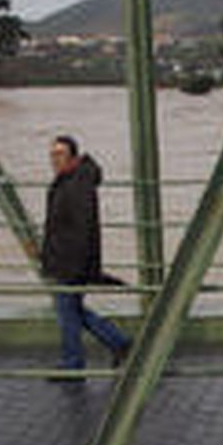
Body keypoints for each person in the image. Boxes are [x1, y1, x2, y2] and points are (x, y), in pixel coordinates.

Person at [41, 133, 131, 373]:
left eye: (59, 154)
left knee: (67, 311)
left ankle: (74, 364)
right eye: (52, 154)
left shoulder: (76, 183)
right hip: (66, 257)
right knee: (71, 310)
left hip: (70, 261)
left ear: (73, 155)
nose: (54, 159)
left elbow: (82, 227)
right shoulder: (70, 178)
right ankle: (119, 342)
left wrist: (76, 265)